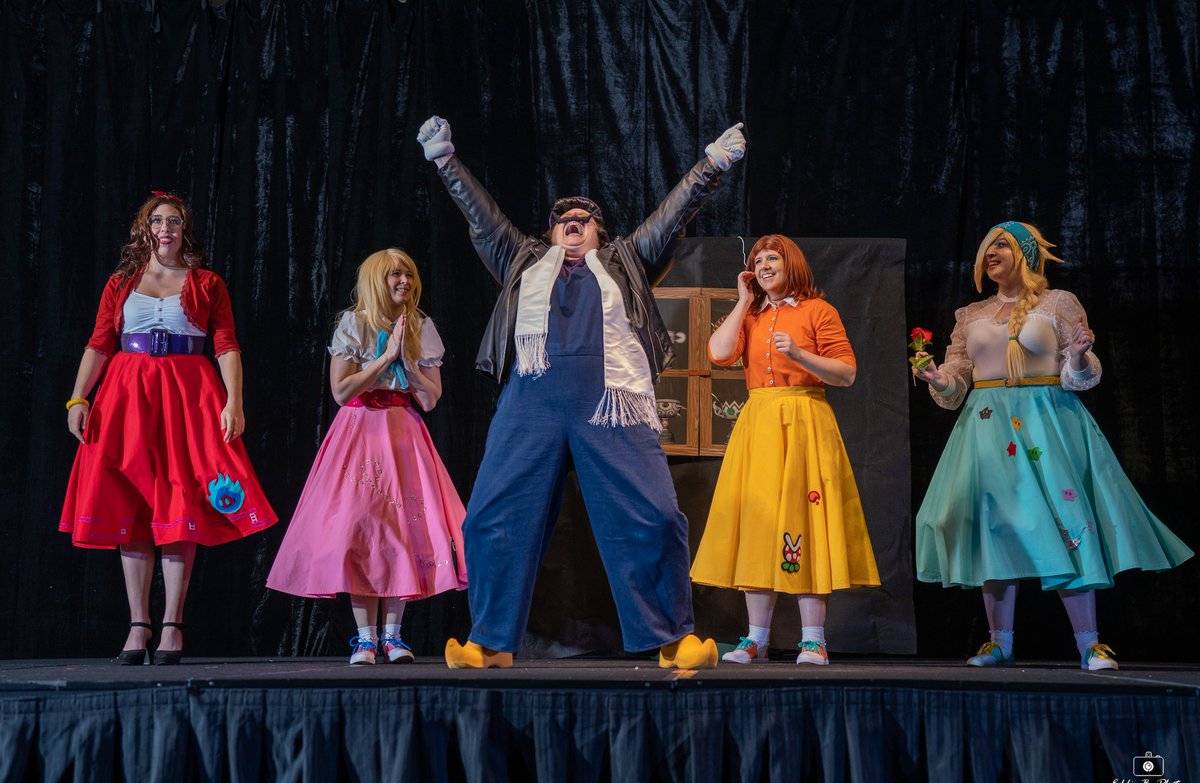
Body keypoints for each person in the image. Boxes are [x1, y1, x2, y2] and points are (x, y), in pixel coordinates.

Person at [416, 114, 746, 669]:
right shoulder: (521, 261)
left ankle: (672, 640)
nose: (574, 222)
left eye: (585, 219)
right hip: (533, 400)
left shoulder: (627, 261)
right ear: (549, 234)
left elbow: (671, 216)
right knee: (492, 518)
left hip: (611, 402)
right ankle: (491, 643)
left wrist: (710, 166)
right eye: (564, 219)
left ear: (601, 234)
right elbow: (483, 218)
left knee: (656, 517)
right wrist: (446, 161)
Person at [912, 221, 1193, 670]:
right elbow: (957, 378)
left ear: (1025, 253)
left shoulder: (1058, 303)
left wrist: (1080, 355)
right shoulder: (970, 314)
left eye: (1002, 245)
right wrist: (937, 377)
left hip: (1046, 424)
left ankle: (1089, 643)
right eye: (987, 247)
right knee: (993, 528)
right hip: (986, 427)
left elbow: (1082, 373)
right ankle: (998, 642)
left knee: (1067, 524)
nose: (992, 253)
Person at [60, 191, 277, 665]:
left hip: (188, 397)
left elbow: (226, 345)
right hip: (127, 398)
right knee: (131, 504)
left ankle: (172, 626)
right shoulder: (121, 282)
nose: (165, 228)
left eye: (173, 221)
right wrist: (79, 397)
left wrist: (234, 401)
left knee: (181, 502)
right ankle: (138, 625)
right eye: (157, 221)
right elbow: (99, 343)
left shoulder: (207, 283)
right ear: (145, 229)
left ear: (184, 229)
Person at [266, 249, 467, 665]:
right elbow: (341, 393)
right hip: (360, 431)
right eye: (395, 274)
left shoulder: (421, 326)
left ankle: (393, 636)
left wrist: (406, 360)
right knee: (360, 530)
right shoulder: (354, 324)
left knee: (403, 528)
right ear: (377, 279)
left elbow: (430, 400)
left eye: (408, 274)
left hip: (402, 432)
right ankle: (365, 637)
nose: (404, 281)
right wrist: (384, 357)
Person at [690, 235, 880, 666]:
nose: (763, 265)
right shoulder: (753, 314)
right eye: (757, 261)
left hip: (804, 421)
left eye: (771, 258)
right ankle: (756, 639)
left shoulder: (818, 311)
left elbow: (846, 373)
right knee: (760, 523)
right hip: (760, 425)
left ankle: (813, 639)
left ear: (790, 263)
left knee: (805, 522)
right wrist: (743, 300)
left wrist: (800, 354)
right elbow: (718, 353)